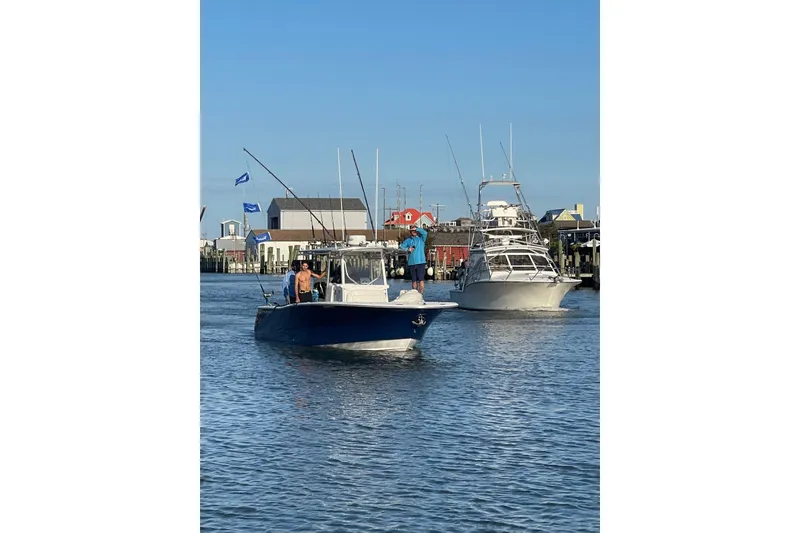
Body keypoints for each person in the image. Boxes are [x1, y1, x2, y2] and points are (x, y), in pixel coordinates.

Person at [399, 224, 428, 296]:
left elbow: (425, 233)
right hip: (411, 263)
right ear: (410, 231)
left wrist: (417, 229)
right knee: (414, 281)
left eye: (415, 230)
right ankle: (415, 295)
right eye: (412, 230)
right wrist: (407, 249)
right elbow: (401, 247)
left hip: (421, 262)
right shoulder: (408, 240)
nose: (414, 232)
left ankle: (421, 295)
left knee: (421, 280)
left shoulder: (421, 239)